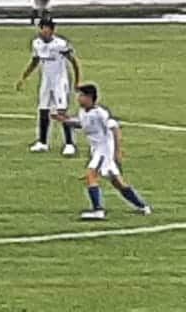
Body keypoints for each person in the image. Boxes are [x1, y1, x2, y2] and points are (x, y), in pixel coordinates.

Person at [51, 84, 152, 220]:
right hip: (97, 150)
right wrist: (64, 120)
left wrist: (117, 151)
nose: (79, 98)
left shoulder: (100, 113)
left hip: (104, 150)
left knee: (91, 175)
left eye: (81, 95)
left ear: (90, 98)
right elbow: (82, 124)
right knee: (117, 182)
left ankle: (98, 210)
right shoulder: (83, 112)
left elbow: (115, 129)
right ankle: (143, 206)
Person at [16, 19, 81, 156]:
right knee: (43, 109)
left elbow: (73, 61)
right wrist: (24, 77)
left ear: (52, 30)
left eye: (46, 29)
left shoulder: (60, 44)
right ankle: (42, 142)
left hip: (59, 80)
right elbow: (35, 61)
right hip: (46, 80)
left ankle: (69, 144)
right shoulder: (37, 43)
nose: (43, 31)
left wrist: (77, 80)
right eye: (41, 28)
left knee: (61, 110)